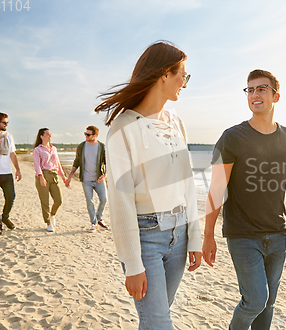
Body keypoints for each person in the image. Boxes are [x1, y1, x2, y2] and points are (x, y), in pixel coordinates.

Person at [94, 41, 202, 329]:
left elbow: (187, 183)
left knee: (155, 319)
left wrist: (194, 236)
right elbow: (120, 200)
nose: (185, 83)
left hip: (179, 236)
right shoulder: (122, 127)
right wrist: (132, 264)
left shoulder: (176, 123)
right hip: (146, 239)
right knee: (158, 322)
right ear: (164, 74)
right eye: (184, 75)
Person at [203, 69, 286, 330]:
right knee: (255, 300)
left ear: (276, 96)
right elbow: (217, 187)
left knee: (269, 304)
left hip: (278, 234)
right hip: (242, 234)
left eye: (261, 89)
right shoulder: (232, 137)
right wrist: (208, 234)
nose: (254, 94)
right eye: (250, 90)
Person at [65, 125, 108, 233]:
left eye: (88, 134)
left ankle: (99, 217)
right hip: (86, 180)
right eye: (85, 134)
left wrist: (105, 175)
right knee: (90, 202)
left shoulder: (102, 147)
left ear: (95, 136)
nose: (86, 136)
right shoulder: (81, 146)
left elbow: (108, 162)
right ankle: (93, 223)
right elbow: (76, 162)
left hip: (99, 179)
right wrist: (69, 177)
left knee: (104, 199)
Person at [33, 128, 67, 232]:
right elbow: (37, 165)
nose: (50, 136)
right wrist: (41, 177)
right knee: (45, 201)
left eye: (50, 134)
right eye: (47, 134)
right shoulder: (38, 149)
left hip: (54, 175)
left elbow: (58, 164)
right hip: (43, 175)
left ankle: (52, 215)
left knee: (58, 200)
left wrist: (63, 176)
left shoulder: (54, 148)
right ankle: (48, 223)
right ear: (41, 136)